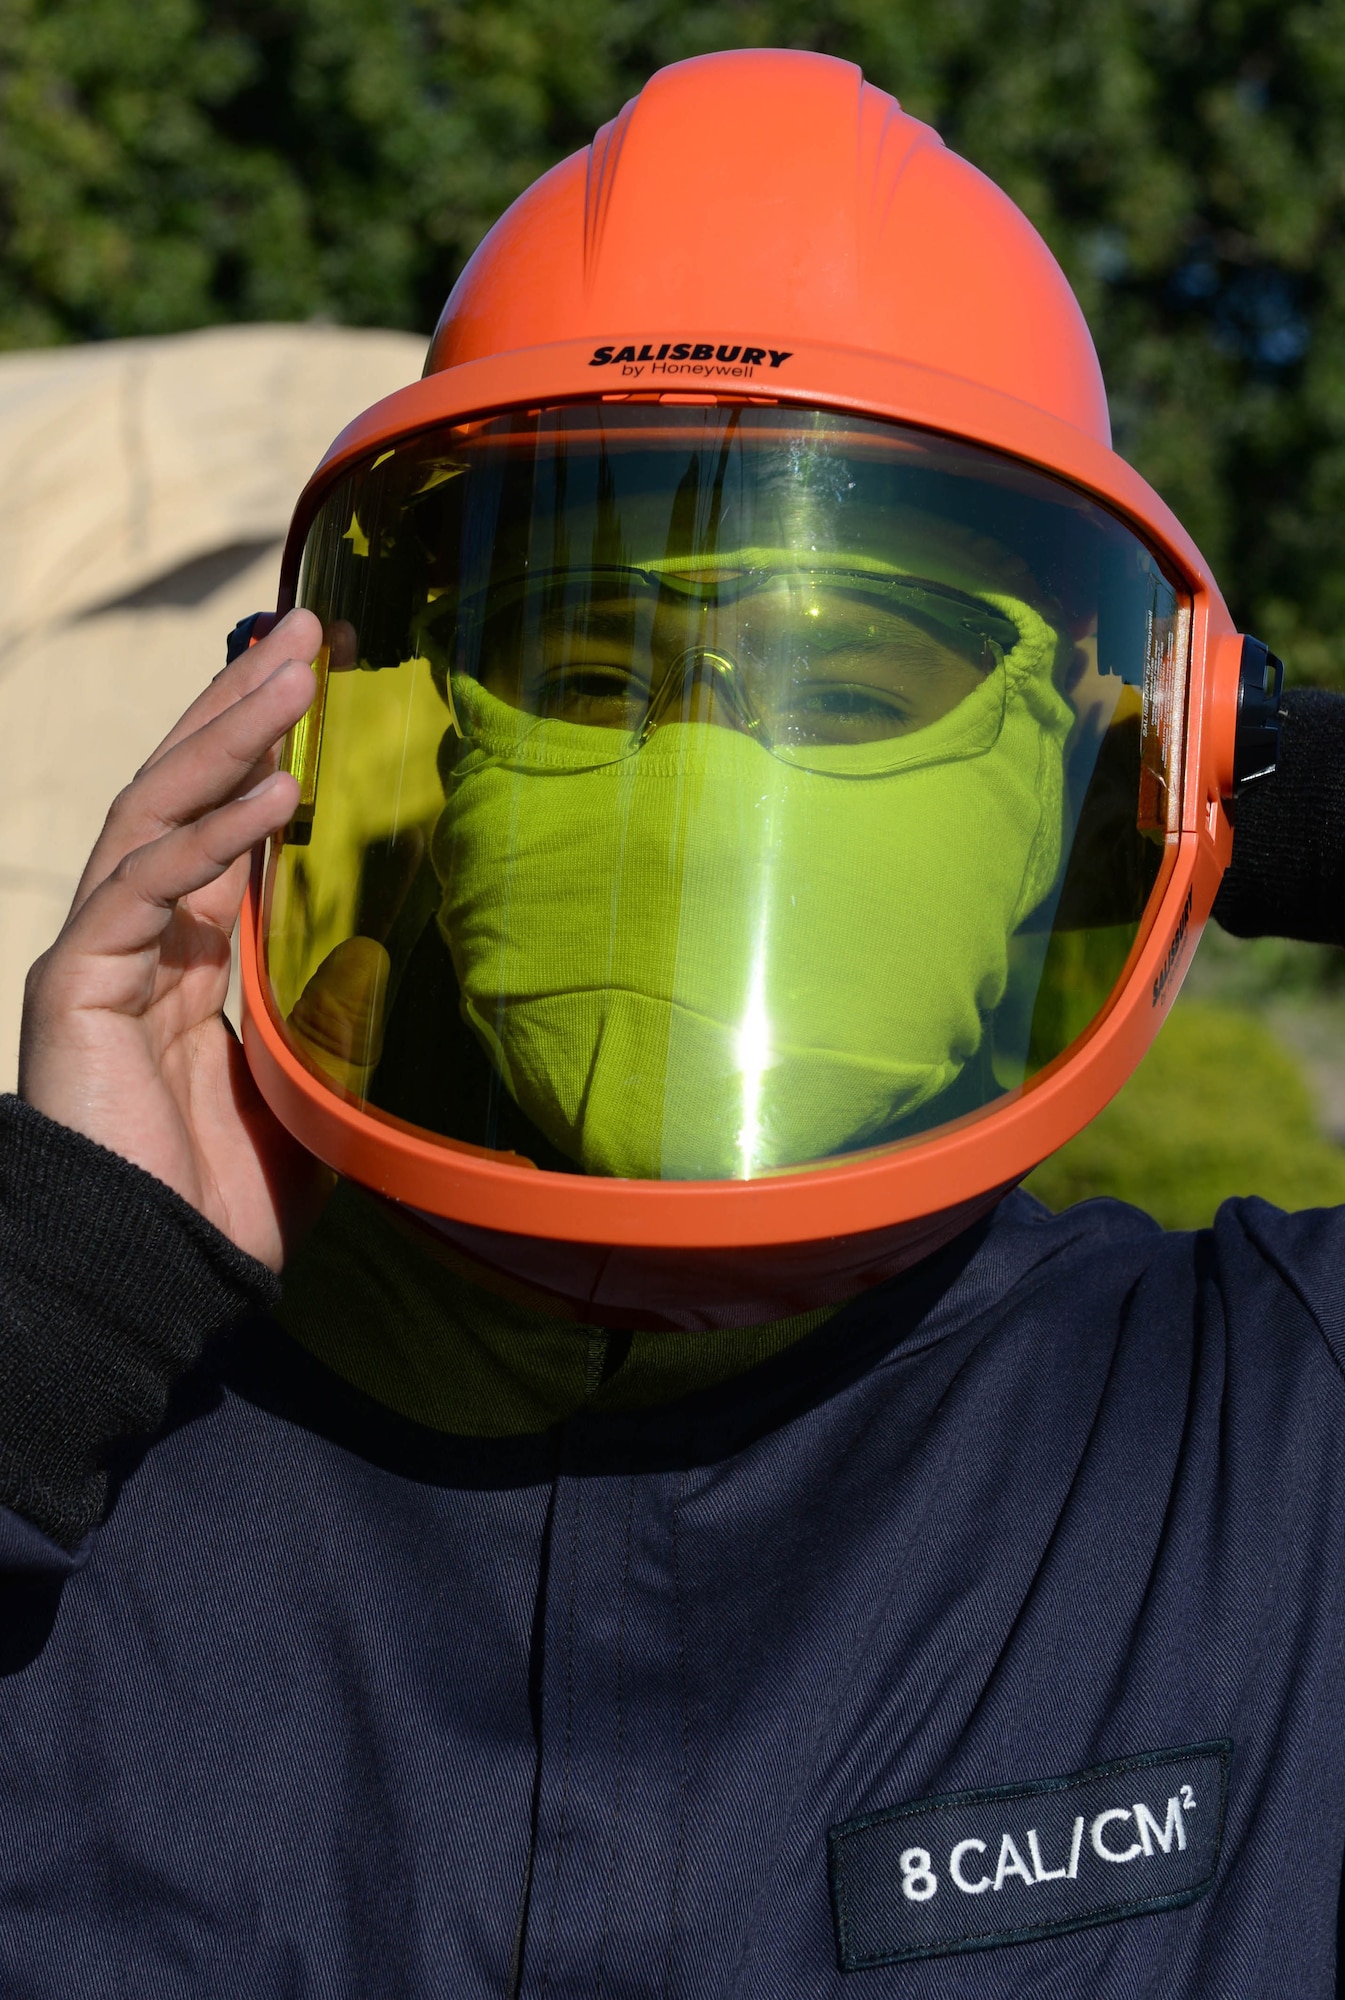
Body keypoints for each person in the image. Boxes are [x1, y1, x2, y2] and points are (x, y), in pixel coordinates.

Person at [3, 45, 1345, 1998]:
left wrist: (1260, 786)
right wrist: (51, 1304)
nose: (709, 770)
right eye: (589, 660)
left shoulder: (1262, 1452)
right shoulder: (86, 1466)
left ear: (1091, 753)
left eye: (855, 668)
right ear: (397, 730)